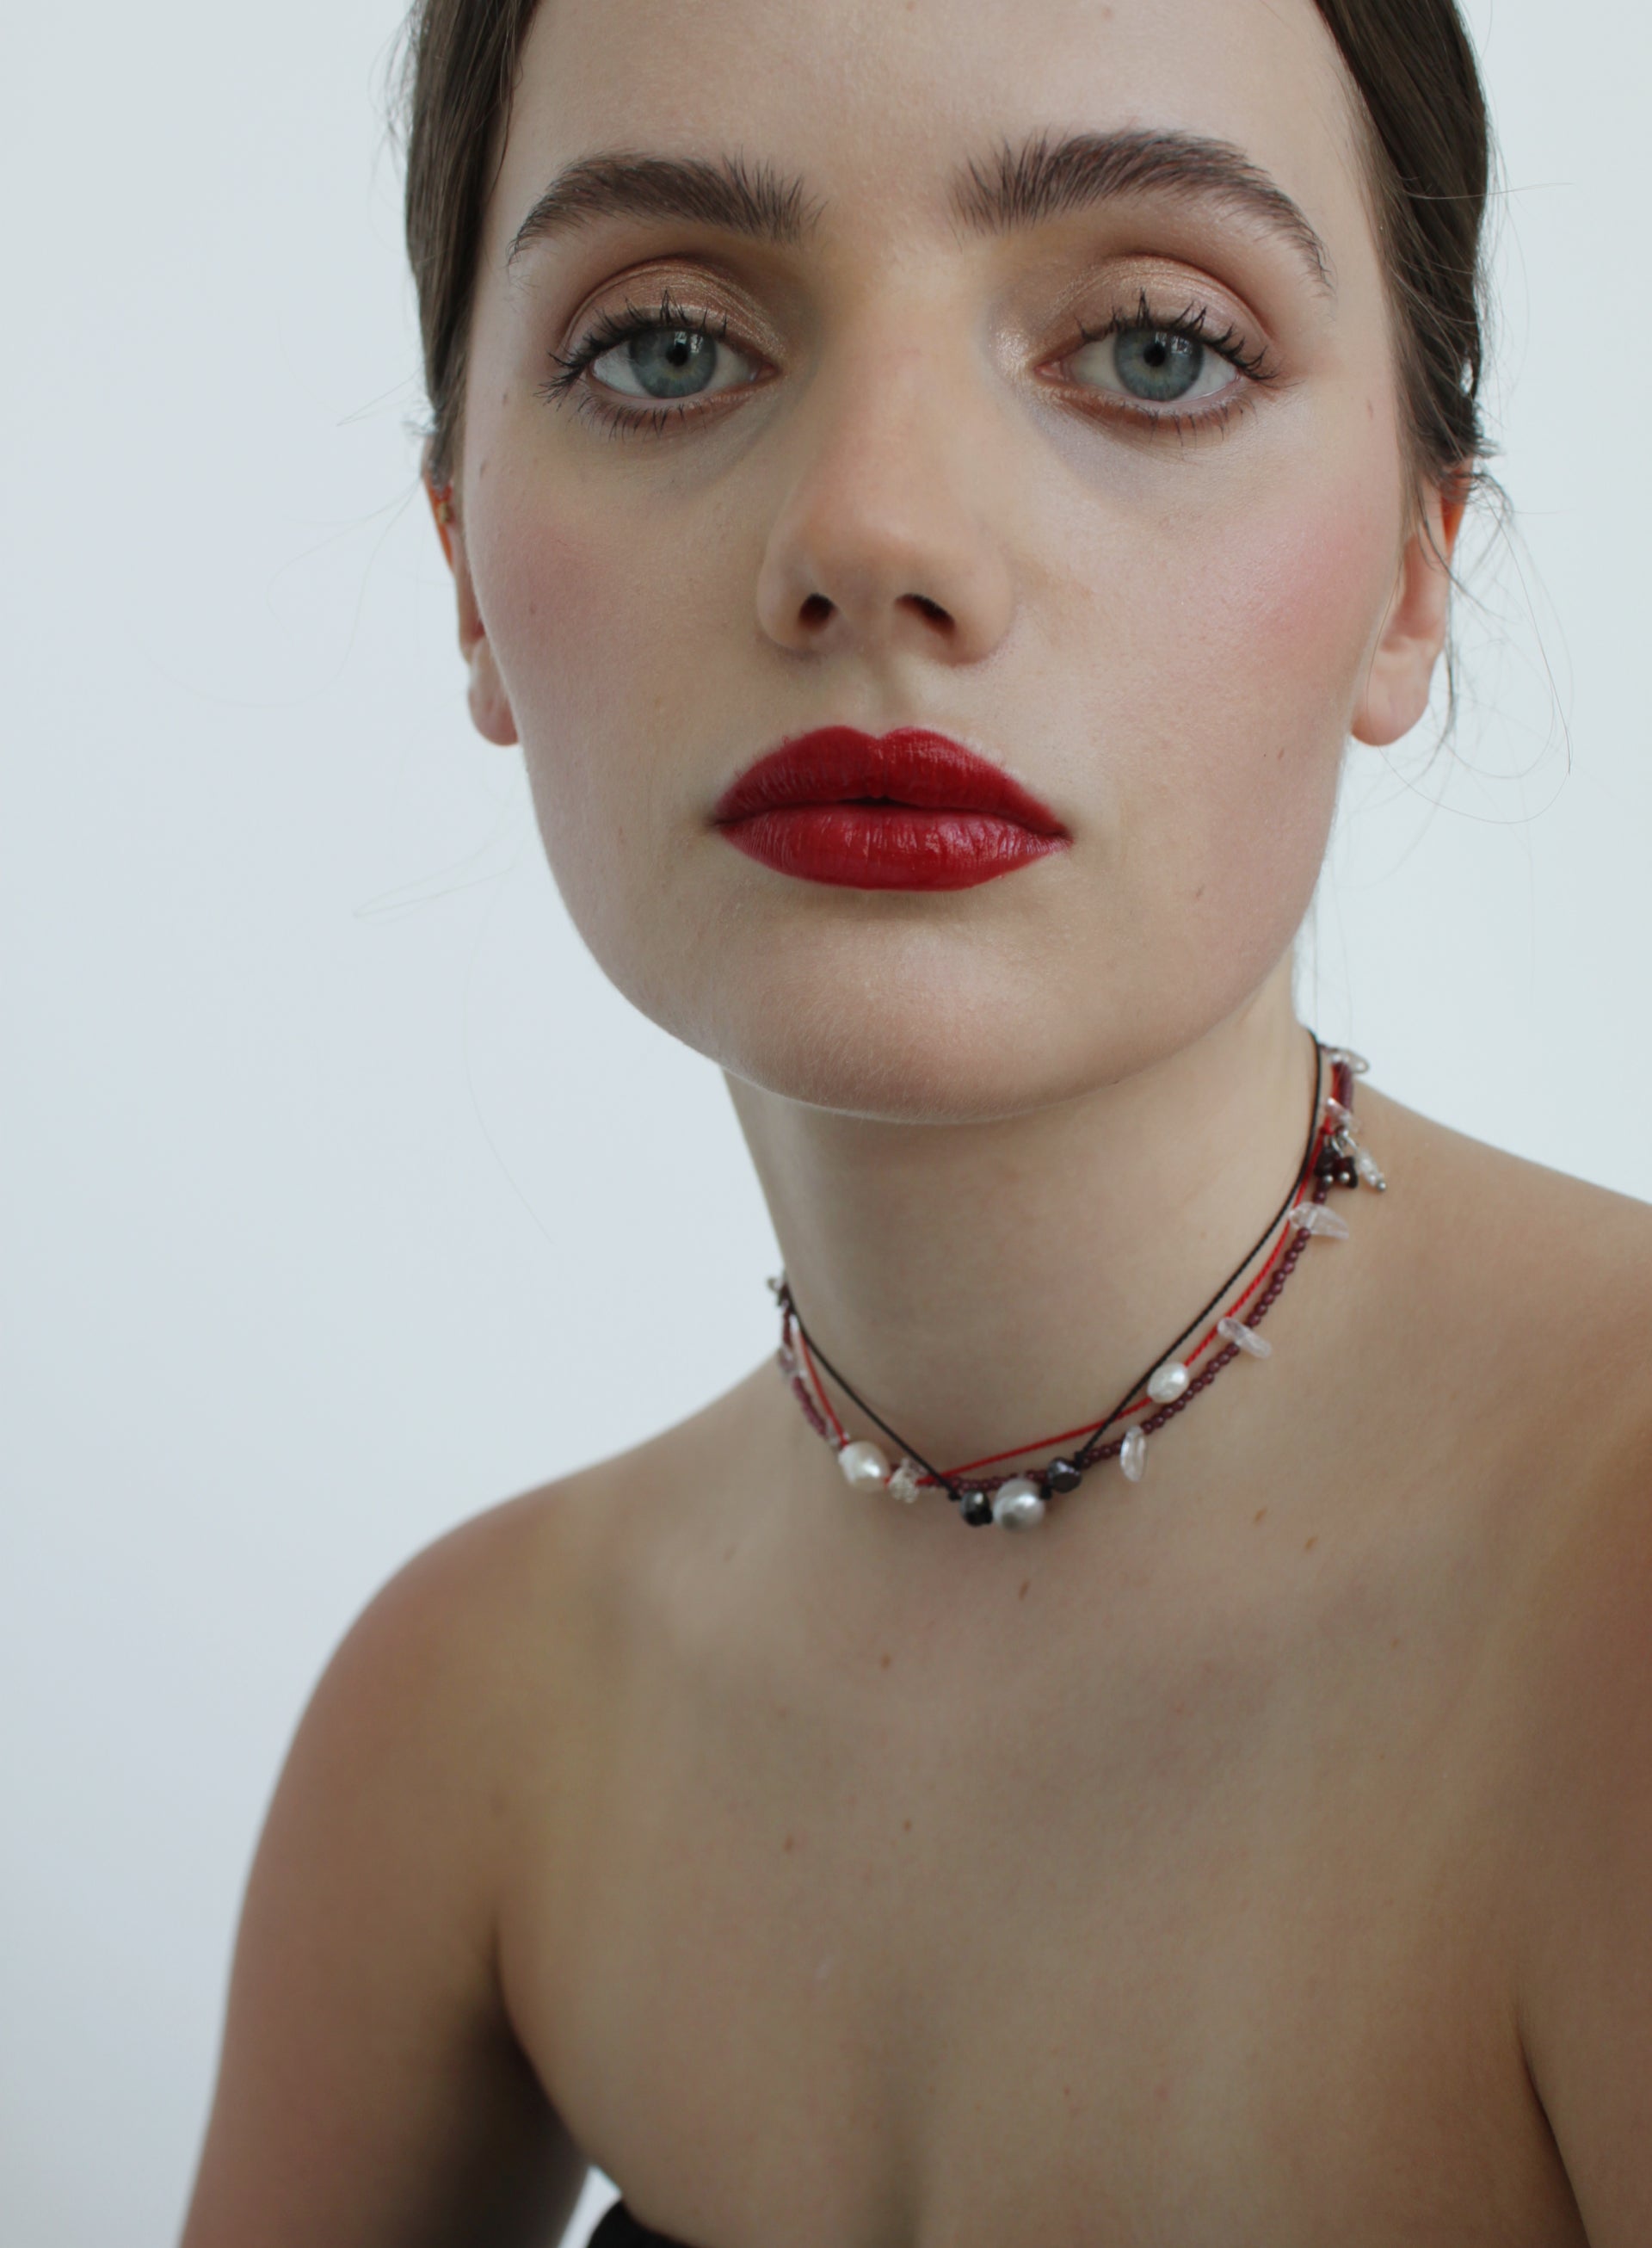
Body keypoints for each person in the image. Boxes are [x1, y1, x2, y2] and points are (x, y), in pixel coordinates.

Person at [180, 0, 1652, 2240]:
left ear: (1413, 571)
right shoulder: (465, 1730)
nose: (873, 531)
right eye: (668, 347)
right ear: (464, 556)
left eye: (1154, 350)